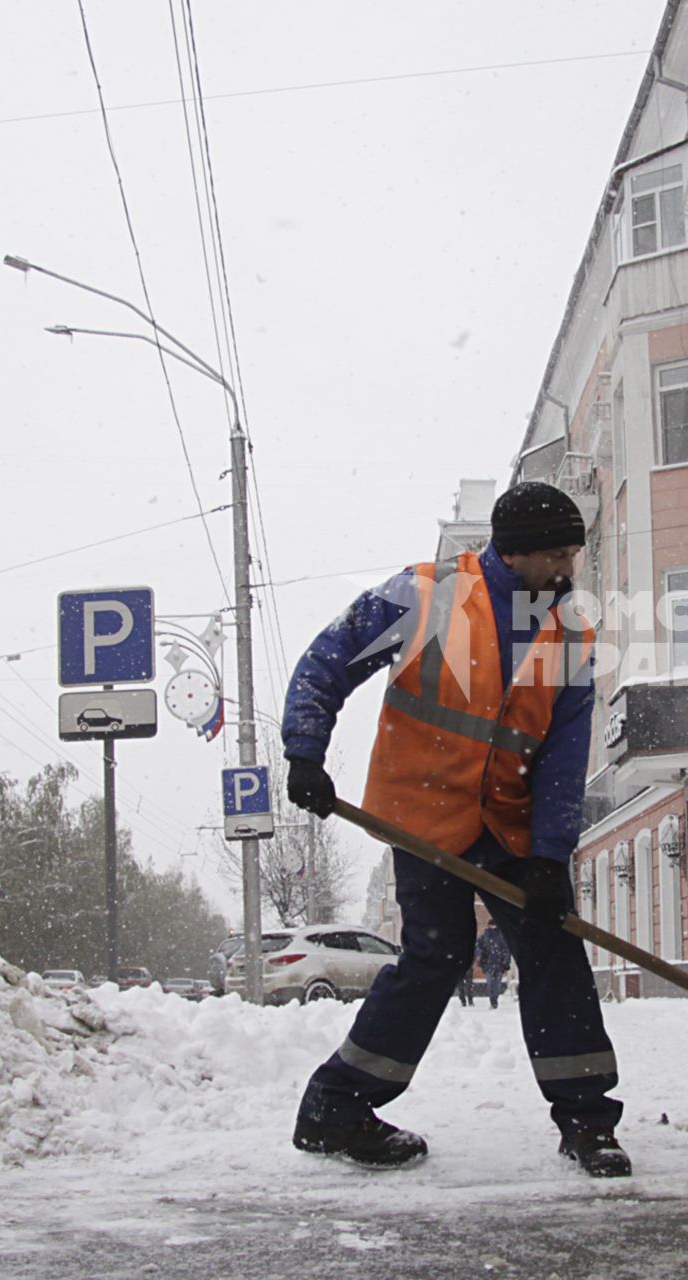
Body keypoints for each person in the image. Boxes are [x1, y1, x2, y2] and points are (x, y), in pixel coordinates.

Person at [278, 481, 629, 1178]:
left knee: (553, 951)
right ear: (516, 552)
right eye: (556, 555)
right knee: (437, 956)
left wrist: (552, 857)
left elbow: (564, 753)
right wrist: (304, 752)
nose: (568, 570)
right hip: (424, 813)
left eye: (574, 555)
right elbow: (329, 659)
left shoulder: (570, 632)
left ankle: (589, 1122)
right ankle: (337, 1106)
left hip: (508, 822)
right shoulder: (425, 595)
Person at [476, 920, 511, 1010]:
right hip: (489, 964)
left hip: (499, 964)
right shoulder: (485, 936)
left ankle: (494, 1000)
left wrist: (506, 962)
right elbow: (477, 946)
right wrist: (481, 954)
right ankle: (493, 1001)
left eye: (493, 925)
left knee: (497, 985)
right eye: (491, 925)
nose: (492, 927)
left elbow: (506, 950)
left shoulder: (501, 936)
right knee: (491, 984)